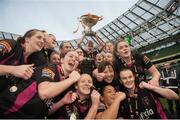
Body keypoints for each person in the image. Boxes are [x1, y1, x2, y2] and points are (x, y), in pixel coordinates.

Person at [0, 29, 46, 118]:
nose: (42, 41)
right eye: (39, 37)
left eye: (44, 40)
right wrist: (12, 69)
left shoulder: (28, 64)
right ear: (27, 39)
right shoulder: (11, 44)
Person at [37, 51, 81, 118]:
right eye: (71, 56)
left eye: (77, 59)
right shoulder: (51, 67)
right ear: (62, 60)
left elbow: (46, 112)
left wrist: (62, 101)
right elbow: (44, 93)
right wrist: (72, 79)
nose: (74, 59)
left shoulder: (66, 85)